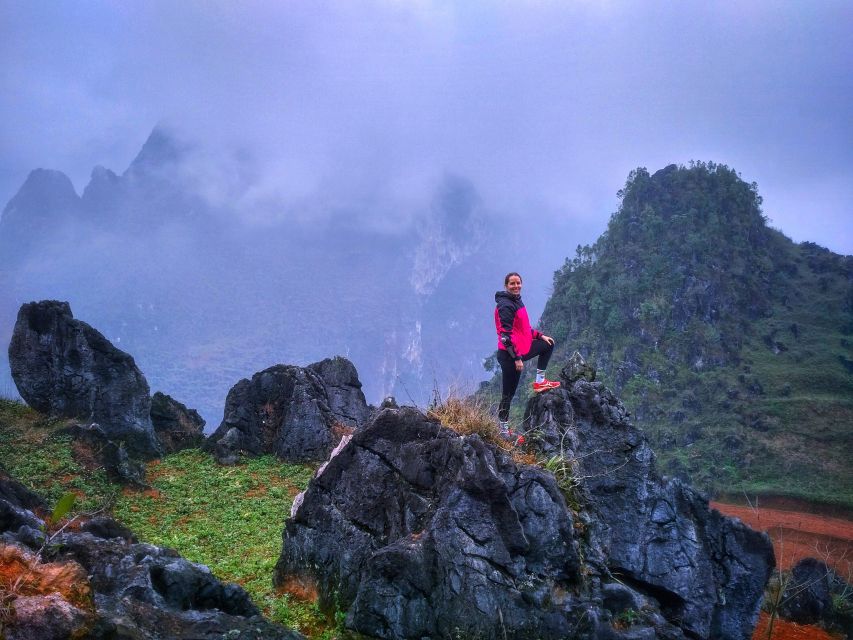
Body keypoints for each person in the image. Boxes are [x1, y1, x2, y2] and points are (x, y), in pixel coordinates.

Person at [494, 272, 560, 440]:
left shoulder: (517, 301)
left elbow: (523, 329)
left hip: (521, 348)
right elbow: (505, 337)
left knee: (548, 344)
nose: (516, 286)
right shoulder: (506, 306)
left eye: (518, 283)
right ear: (506, 286)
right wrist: (517, 358)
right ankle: (503, 430)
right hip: (509, 356)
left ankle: (540, 381)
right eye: (512, 284)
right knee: (508, 394)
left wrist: (539, 336)